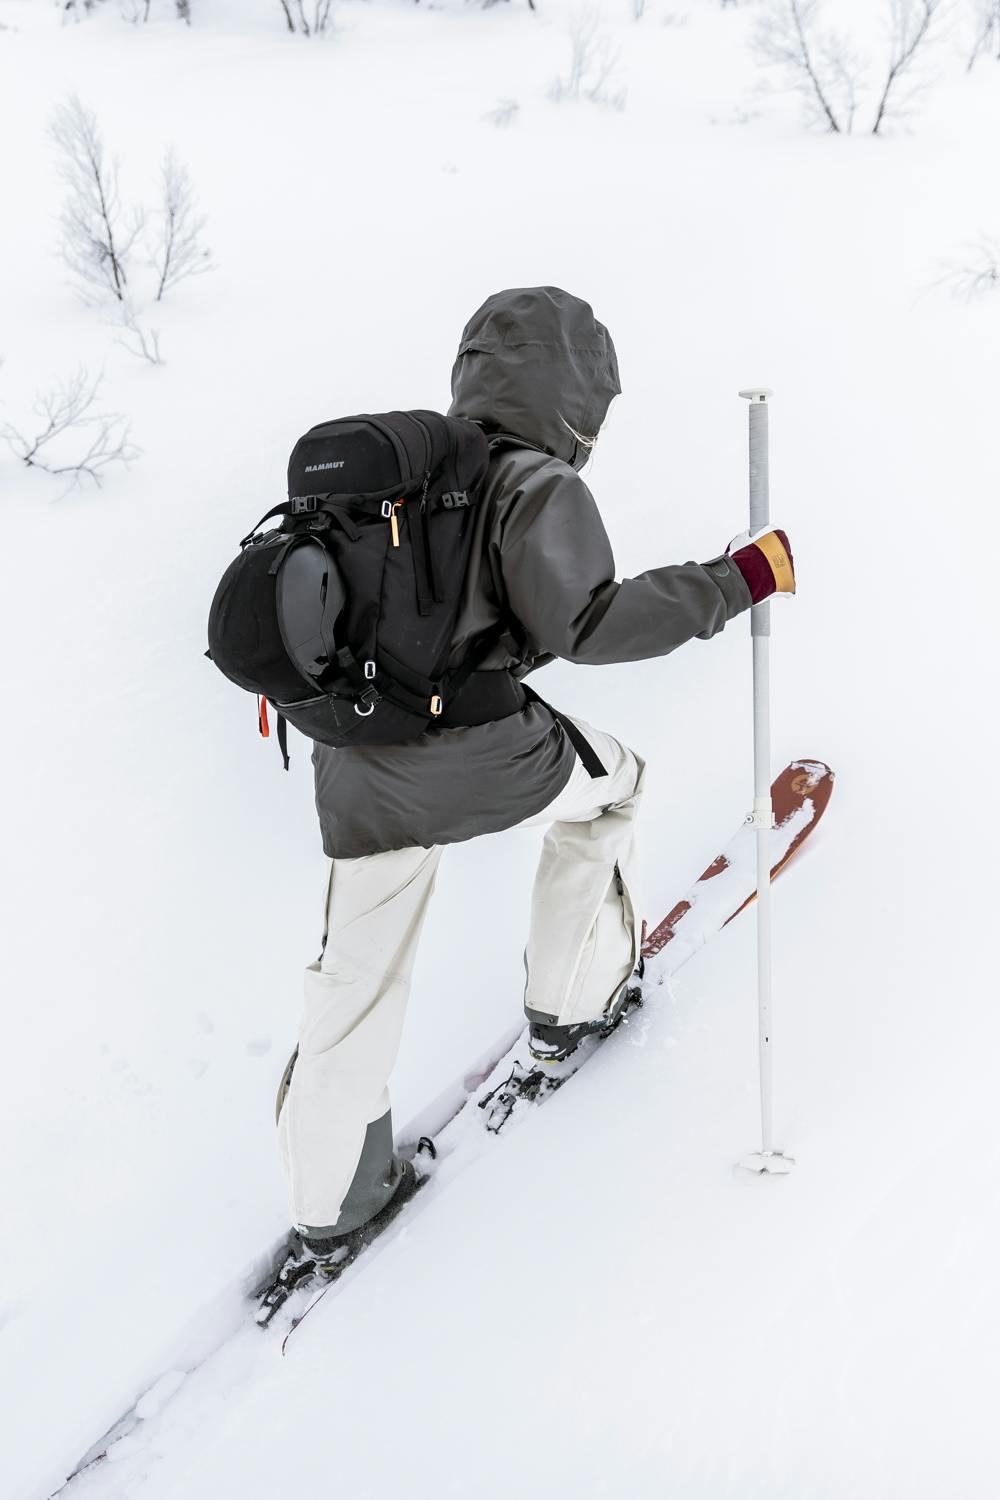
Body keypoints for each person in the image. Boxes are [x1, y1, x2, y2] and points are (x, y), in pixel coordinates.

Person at [273, 285, 795, 1267]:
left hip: (348, 765)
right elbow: (586, 625)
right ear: (572, 396)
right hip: (474, 755)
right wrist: (735, 582)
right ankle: (571, 1006)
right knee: (613, 788)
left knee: (357, 970)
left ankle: (332, 1193)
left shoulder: (381, 479)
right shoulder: (530, 483)